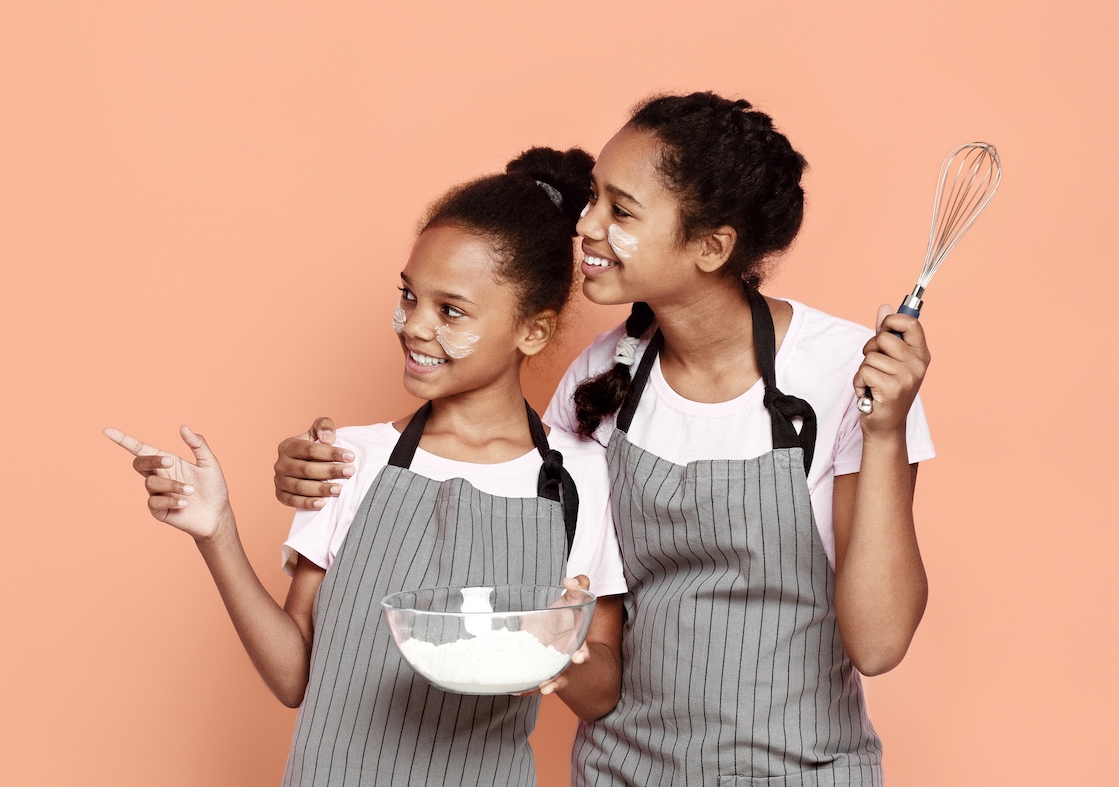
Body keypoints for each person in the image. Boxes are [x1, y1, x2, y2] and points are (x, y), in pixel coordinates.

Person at [263, 93, 934, 786]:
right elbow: (504, 488)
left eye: (621, 210)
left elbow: (878, 642)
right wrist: (325, 471)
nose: (585, 226)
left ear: (711, 247)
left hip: (803, 769)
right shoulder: (599, 377)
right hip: (622, 771)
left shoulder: (847, 374)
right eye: (593, 200)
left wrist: (884, 433)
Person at [107, 147, 627, 787]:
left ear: (534, 332)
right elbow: (294, 676)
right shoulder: (349, 459)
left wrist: (563, 645)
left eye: (451, 310)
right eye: (409, 296)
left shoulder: (581, 478)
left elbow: (603, 694)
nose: (415, 326)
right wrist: (217, 532)